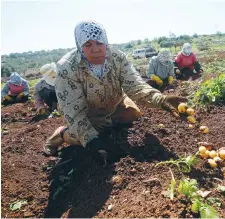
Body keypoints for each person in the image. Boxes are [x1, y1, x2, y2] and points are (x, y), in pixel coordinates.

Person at [44, 21, 186, 162]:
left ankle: (108, 124)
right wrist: (91, 140)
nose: (95, 49)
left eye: (99, 43)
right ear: (79, 46)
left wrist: (160, 99)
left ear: (105, 41)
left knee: (133, 114)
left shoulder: (117, 58)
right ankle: (61, 134)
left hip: (116, 102)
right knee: (87, 134)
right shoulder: (67, 68)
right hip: (88, 114)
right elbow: (73, 112)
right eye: (88, 44)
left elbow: (135, 84)